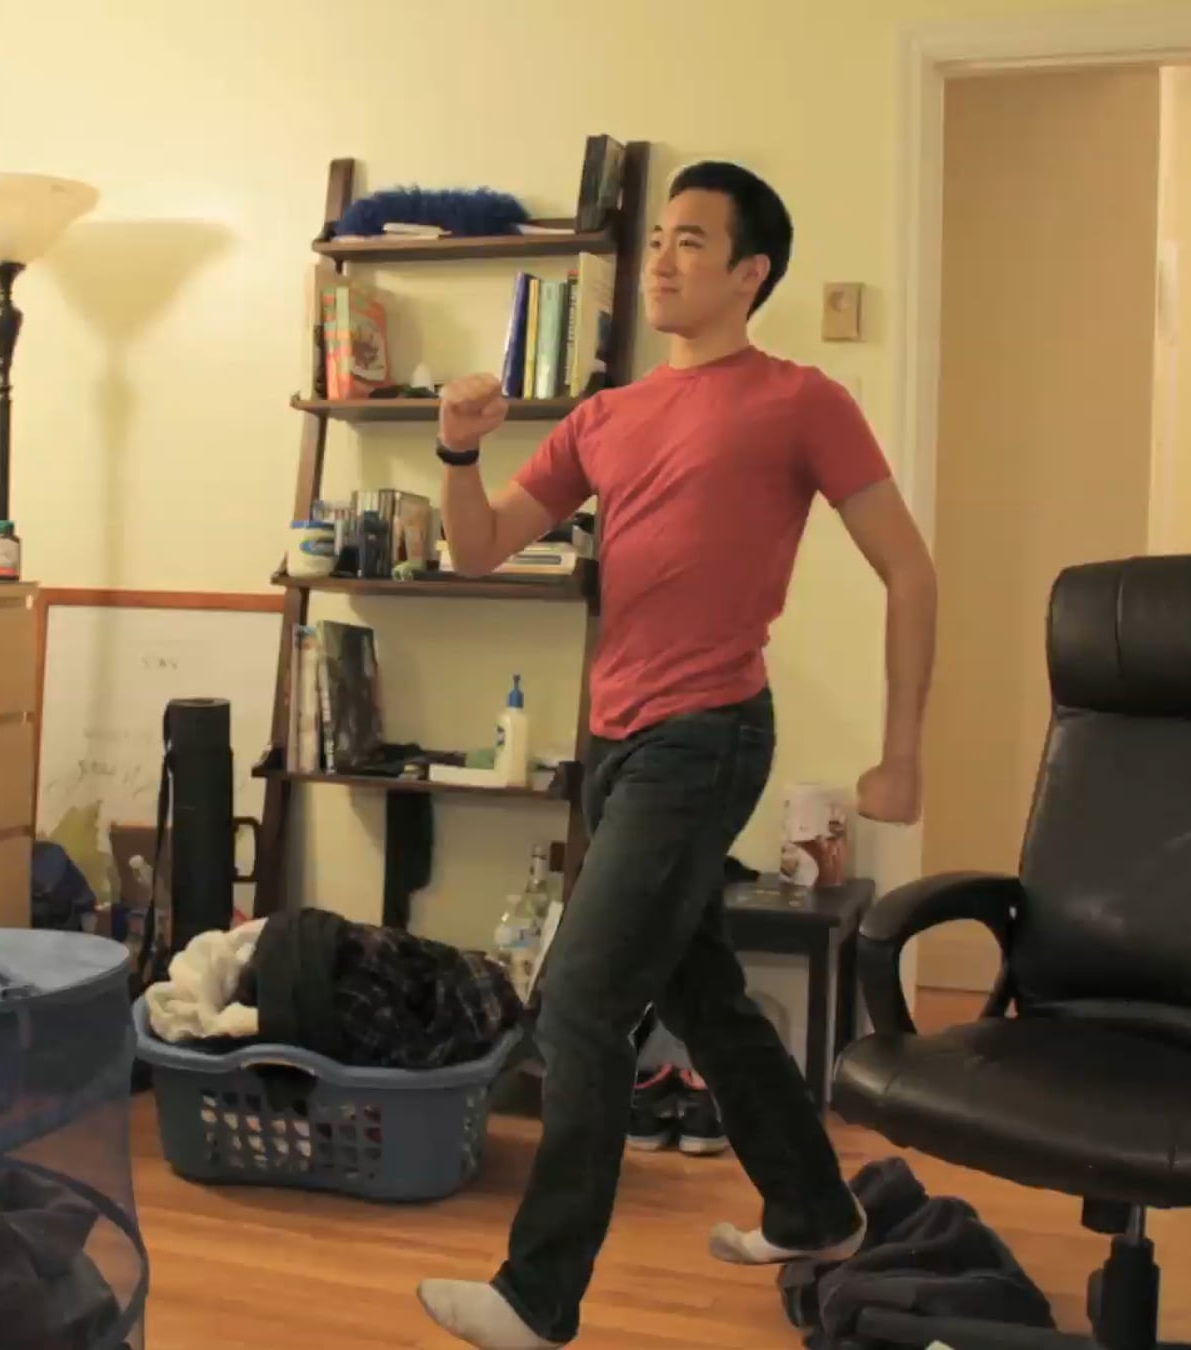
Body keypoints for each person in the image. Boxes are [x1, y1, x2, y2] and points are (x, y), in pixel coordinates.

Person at [416, 161, 938, 1349]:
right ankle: (816, 1211)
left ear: (752, 273)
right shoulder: (607, 416)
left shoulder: (800, 401)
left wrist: (903, 751)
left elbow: (911, 569)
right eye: (658, 237)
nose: (661, 258)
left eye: (692, 241)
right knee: (701, 990)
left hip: (705, 736)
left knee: (582, 1002)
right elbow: (482, 549)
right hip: (616, 740)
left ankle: (536, 1298)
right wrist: (456, 453)